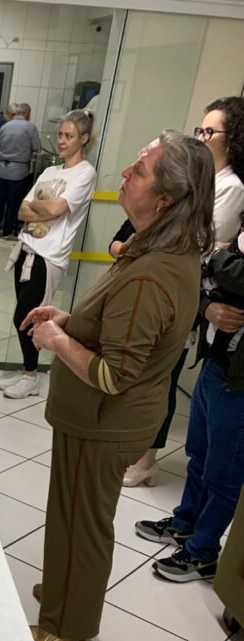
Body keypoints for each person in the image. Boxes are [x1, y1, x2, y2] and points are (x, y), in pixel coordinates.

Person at [19, 131, 214, 641]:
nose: (126, 173)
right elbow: (117, 330)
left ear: (165, 199)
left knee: (83, 524)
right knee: (70, 513)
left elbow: (113, 375)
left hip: (104, 421)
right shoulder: (154, 250)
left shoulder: (152, 273)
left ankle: (69, 625)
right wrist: (69, 320)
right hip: (92, 419)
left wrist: (57, 340)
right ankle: (63, 591)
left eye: (140, 170)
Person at [122, 96, 244, 486]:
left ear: (232, 138)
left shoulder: (230, 187)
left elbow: (199, 244)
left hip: (189, 290)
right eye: (199, 130)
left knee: (160, 376)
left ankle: (146, 458)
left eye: (210, 131)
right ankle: (138, 451)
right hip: (178, 280)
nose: (202, 137)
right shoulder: (199, 179)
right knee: (147, 372)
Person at [135, 219, 244, 582]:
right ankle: (185, 526)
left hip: (239, 380)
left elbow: (227, 270)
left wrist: (215, 256)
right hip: (216, 361)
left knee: (224, 473)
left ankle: (202, 553)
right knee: (198, 453)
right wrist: (208, 306)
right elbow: (201, 280)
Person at [0, 110, 96, 400]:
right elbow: (21, 209)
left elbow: (56, 209)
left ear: (83, 139)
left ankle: (31, 376)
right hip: (26, 247)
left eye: (69, 136)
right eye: (60, 135)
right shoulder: (49, 172)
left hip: (48, 255)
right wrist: (47, 208)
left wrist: (43, 207)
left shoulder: (85, 173)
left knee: (26, 316)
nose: (62, 141)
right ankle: (27, 369)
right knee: (24, 314)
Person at [0, 103, 41, 239]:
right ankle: (7, 231)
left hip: (1, 169)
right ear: (28, 113)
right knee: (13, 203)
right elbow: (37, 147)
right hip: (19, 171)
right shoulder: (30, 127)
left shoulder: (4, 126)